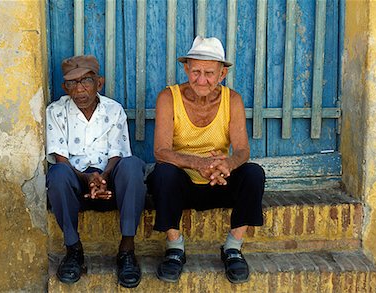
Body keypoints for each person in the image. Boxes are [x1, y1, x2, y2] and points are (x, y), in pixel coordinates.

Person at [147, 36, 265, 284]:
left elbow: (243, 150)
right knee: (162, 174)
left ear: (222, 74)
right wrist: (197, 164)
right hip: (183, 184)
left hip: (218, 182)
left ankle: (233, 247)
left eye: (209, 73)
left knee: (254, 173)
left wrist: (227, 165)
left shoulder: (232, 100)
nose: (202, 80)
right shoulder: (168, 98)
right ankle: (174, 247)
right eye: (196, 71)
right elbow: (161, 151)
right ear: (186, 69)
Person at [46, 55, 146, 288]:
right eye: (72, 83)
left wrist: (103, 177)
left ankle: (127, 250)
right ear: (65, 87)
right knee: (58, 174)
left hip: (109, 182)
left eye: (86, 81)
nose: (80, 89)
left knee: (132, 165)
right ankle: (73, 251)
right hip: (76, 183)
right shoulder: (56, 111)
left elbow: (117, 153)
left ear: (99, 83)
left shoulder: (114, 110)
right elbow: (61, 158)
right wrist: (87, 178)